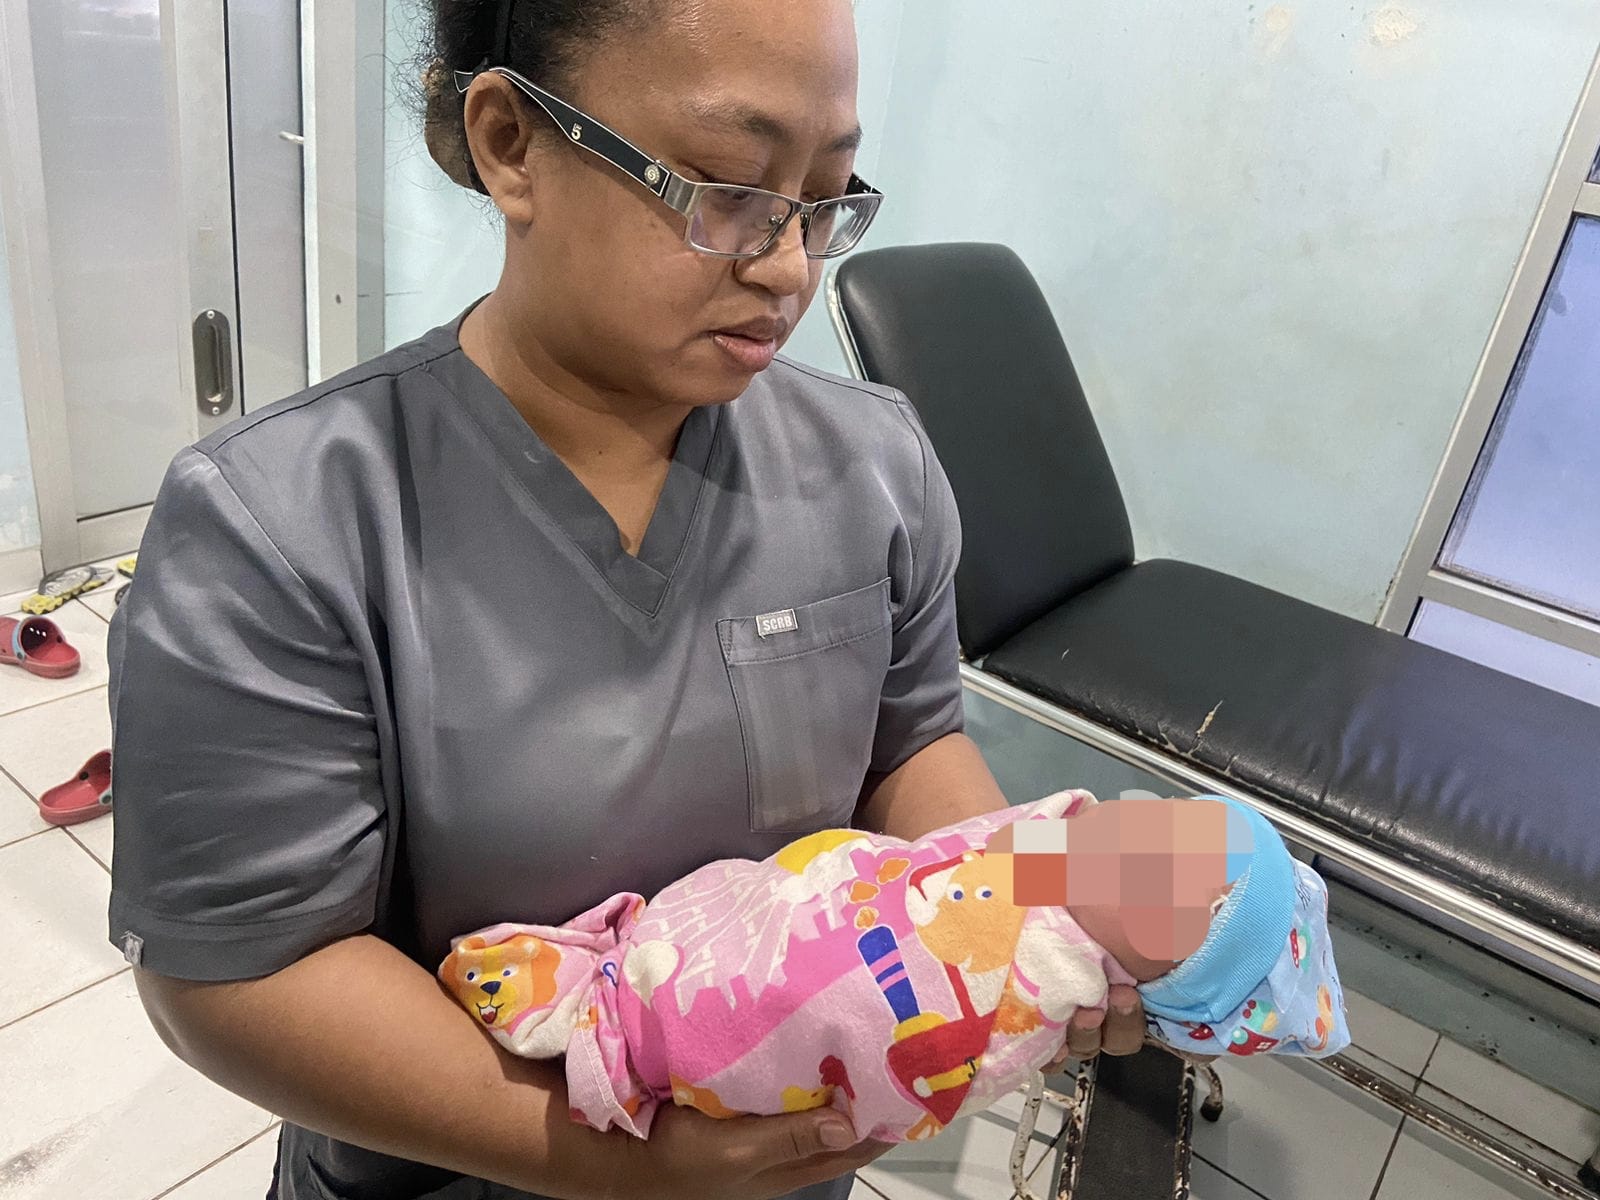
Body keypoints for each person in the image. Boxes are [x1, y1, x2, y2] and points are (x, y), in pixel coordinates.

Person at [105, 1, 1150, 1197]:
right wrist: (609, 1158)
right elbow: (237, 976)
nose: (788, 265)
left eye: (826, 197)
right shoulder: (284, 526)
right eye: (724, 187)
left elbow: (907, 744)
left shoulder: (873, 466)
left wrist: (1023, 922)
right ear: (510, 143)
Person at [433, 792, 1349, 1144]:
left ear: (1153, 975)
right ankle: (617, 978)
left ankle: (625, 1032)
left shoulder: (1044, 986)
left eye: (1183, 881)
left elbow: (917, 1061)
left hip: (766, 1015)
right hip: (754, 911)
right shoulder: (1056, 845)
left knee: (784, 1003)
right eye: (1181, 822)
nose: (1153, 832)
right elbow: (932, 863)